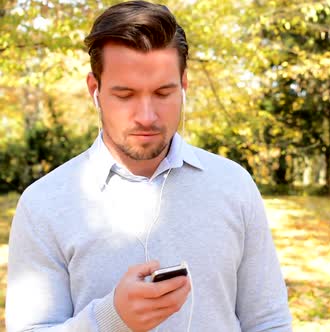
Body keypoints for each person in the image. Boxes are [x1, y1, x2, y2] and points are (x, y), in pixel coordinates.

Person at [5, 1, 292, 331]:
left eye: (163, 92)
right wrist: (112, 319)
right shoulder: (43, 205)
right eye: (125, 94)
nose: (146, 116)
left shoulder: (235, 185)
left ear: (184, 85)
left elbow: (269, 322)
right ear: (94, 90)